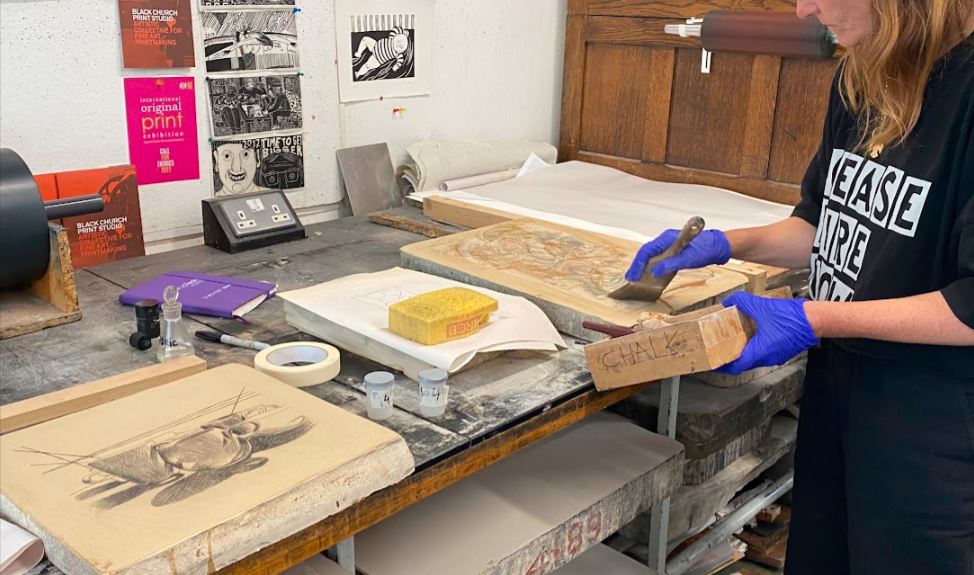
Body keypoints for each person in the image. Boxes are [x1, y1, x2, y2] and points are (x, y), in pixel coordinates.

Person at [624, 1, 974, 573]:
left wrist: (816, 318)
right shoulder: (866, 70)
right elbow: (822, 223)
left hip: (930, 419)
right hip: (840, 383)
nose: (804, 8)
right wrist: (726, 243)